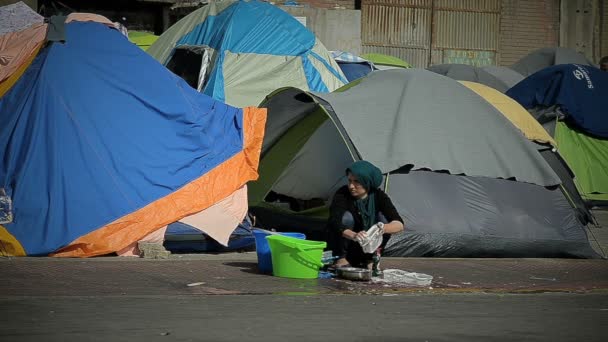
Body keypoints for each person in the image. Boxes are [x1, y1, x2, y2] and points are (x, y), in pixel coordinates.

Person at [328, 160, 404, 271]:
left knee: (384, 220)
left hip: (369, 244)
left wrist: (381, 229)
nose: (351, 186)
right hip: (349, 242)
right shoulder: (343, 193)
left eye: (356, 182)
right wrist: (354, 235)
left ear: (366, 182)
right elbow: (335, 221)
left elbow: (399, 224)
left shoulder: (378, 196)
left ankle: (371, 258)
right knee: (346, 218)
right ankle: (341, 257)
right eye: (349, 181)